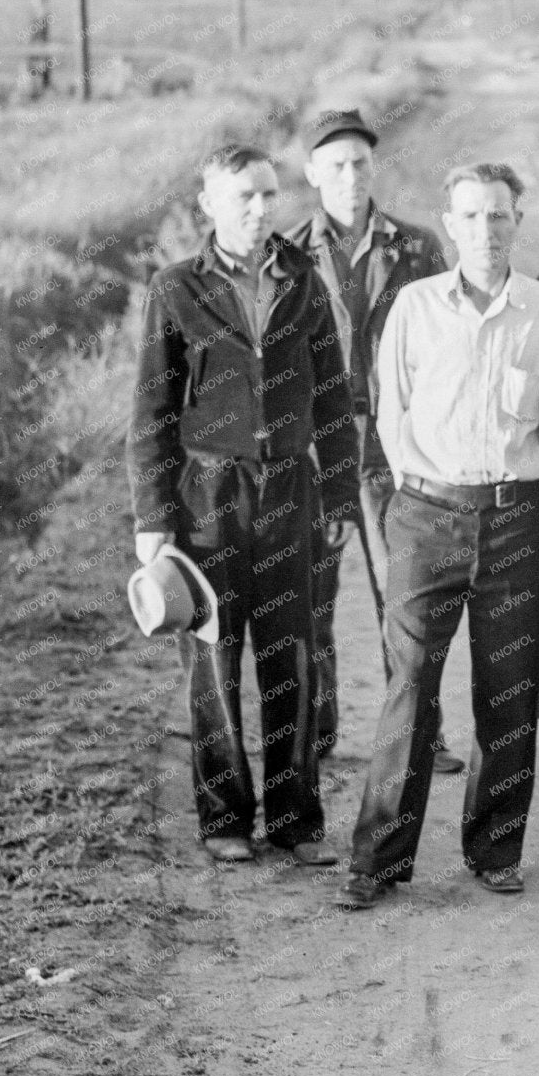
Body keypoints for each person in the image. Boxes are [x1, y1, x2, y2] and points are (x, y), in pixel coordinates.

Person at [337, 164, 539, 908]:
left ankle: (495, 848)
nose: (486, 230)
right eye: (471, 216)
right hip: (427, 515)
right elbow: (390, 413)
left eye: (500, 216)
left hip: (515, 517)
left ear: (518, 220)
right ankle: (376, 860)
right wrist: (413, 500)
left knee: (508, 689)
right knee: (411, 689)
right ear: (449, 222)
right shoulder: (413, 307)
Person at [129, 144, 359, 865]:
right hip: (209, 499)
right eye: (243, 198)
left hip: (291, 491)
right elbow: (152, 412)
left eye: (267, 194)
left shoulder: (303, 281)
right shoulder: (175, 289)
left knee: (292, 655)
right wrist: (152, 522)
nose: (260, 209)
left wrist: (343, 493)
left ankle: (295, 818)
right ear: (210, 206)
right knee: (213, 658)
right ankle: (225, 817)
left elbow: (333, 397)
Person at [287, 108, 463, 774]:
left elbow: (448, 348)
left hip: (398, 445)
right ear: (311, 173)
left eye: (361, 162)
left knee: (409, 595)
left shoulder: (415, 247)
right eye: (336, 164)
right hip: (319, 447)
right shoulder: (287, 255)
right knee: (311, 597)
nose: (351, 176)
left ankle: (422, 732)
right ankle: (318, 730)